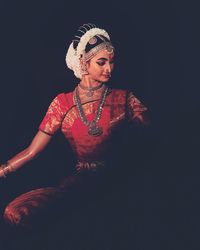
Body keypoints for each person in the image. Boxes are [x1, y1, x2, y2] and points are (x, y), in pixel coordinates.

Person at [0, 23, 148, 231]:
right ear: (83, 63)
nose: (109, 69)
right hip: (80, 183)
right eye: (102, 62)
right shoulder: (63, 103)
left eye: (112, 62)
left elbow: (150, 138)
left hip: (120, 179)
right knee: (15, 213)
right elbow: (33, 150)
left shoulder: (124, 98)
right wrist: (3, 170)